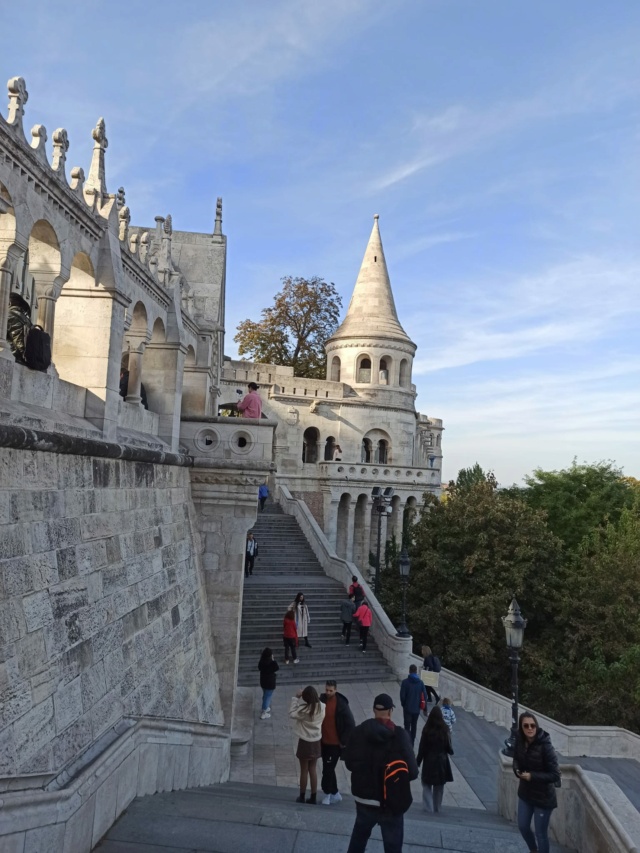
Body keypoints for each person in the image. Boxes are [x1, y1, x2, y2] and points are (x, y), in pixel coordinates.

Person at [343, 692, 418, 853]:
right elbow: (412, 772)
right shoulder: (400, 736)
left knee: (358, 840)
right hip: (391, 801)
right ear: (391, 711)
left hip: (363, 799)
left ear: (373, 710)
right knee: (393, 847)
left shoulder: (358, 732)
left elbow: (349, 763)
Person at [513, 712, 560, 853]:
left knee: (541, 834)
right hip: (525, 793)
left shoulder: (545, 745)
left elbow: (555, 774)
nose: (530, 728)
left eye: (532, 725)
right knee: (523, 826)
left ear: (536, 726)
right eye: (526, 725)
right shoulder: (520, 741)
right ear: (521, 728)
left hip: (543, 797)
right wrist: (517, 770)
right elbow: (516, 759)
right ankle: (533, 850)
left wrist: (532, 776)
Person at [319, 679, 355, 805]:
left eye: (331, 690)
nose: (328, 692)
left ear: (335, 690)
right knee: (329, 768)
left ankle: (328, 794)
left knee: (327, 770)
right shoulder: (322, 700)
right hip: (324, 742)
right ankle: (335, 793)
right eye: (326, 690)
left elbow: (351, 724)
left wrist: (343, 741)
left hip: (335, 744)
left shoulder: (341, 704)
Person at [290, 685, 325, 804]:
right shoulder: (322, 707)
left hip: (305, 741)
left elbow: (292, 713)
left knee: (304, 770)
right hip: (316, 741)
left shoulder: (303, 710)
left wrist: (296, 697)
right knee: (313, 769)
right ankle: (314, 797)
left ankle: (302, 796)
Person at [416, 705, 454, 813]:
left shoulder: (426, 729)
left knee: (426, 784)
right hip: (441, 762)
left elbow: (422, 747)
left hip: (429, 761)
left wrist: (418, 761)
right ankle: (437, 808)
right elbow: (448, 746)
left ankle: (428, 808)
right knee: (439, 787)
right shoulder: (444, 729)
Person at [400, 663, 428, 745]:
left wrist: (404, 705)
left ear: (409, 671)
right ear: (416, 672)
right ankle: (411, 744)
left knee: (407, 726)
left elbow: (402, 696)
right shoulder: (421, 683)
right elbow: (425, 696)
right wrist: (425, 709)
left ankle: (406, 744)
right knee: (414, 726)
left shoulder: (405, 683)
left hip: (407, 709)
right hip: (416, 710)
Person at [7, 292, 32, 364]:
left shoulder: (8, 315)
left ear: (9, 302)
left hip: (14, 355)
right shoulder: (26, 319)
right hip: (25, 357)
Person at [258, 647, 279, 720]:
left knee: (265, 695)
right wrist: (273, 660)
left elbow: (259, 668)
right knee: (267, 697)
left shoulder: (261, 662)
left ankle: (265, 707)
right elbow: (276, 668)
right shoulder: (272, 663)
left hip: (263, 681)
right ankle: (264, 712)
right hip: (270, 682)